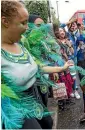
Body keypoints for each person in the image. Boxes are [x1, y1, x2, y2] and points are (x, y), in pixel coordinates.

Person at [1, 1, 73, 129]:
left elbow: (37, 67)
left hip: (36, 97)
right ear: (5, 21)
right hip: (16, 109)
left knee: (48, 124)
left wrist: (61, 68)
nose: (27, 28)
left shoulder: (20, 44)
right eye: (23, 23)